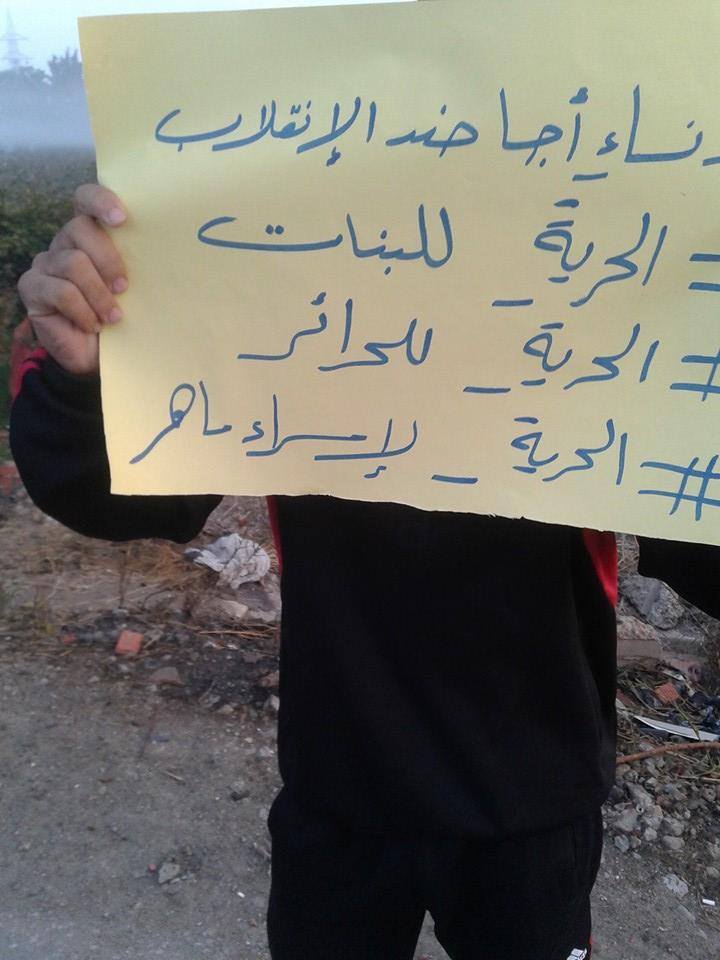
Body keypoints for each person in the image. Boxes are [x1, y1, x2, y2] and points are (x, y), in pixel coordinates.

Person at [10, 184, 720, 960]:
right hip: (340, 790)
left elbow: (702, 555)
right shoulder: (276, 245)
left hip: (532, 806)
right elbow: (123, 493)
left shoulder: (600, 246)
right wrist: (88, 379)